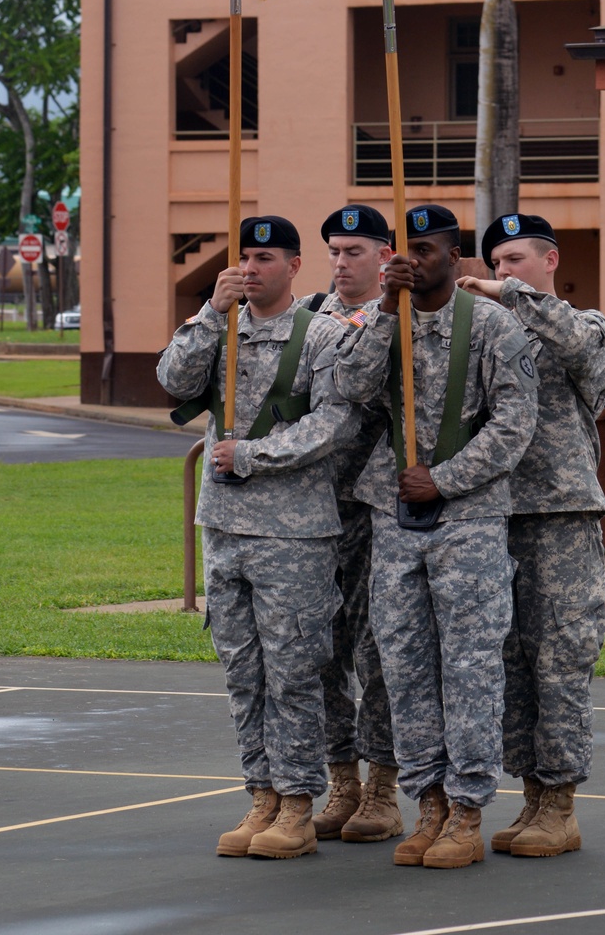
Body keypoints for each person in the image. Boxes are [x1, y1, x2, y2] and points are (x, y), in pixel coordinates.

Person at [334, 205, 539, 870]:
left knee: (471, 670)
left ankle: (468, 811)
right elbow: (350, 388)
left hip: (468, 522)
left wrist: (444, 480)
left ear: (455, 259)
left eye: (425, 250)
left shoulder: (493, 326)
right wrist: (386, 312)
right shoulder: (383, 323)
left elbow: (514, 426)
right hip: (395, 523)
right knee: (405, 670)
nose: (412, 260)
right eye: (406, 249)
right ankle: (428, 806)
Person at [157, 216, 357, 861]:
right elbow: (174, 382)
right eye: (243, 256)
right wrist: (208, 315)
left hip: (294, 531)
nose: (250, 268)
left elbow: (335, 424)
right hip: (225, 527)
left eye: (265, 257)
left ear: (295, 266)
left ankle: (299, 804)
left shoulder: (324, 335)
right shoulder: (222, 329)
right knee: (243, 672)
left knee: (294, 672)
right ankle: (262, 794)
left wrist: (251, 455)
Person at [457, 214, 605, 857]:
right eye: (496, 263)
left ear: (551, 261)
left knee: (560, 658)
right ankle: (530, 797)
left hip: (559, 515)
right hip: (492, 512)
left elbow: (576, 346)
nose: (503, 273)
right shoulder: (484, 332)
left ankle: (561, 804)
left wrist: (510, 298)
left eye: (517, 260)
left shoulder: (591, 327)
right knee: (510, 665)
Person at [308, 205, 401, 845]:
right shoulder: (308, 317)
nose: (342, 263)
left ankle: (383, 788)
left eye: (355, 251)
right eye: (335, 251)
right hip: (310, 508)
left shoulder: (404, 320)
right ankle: (341, 778)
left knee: (377, 650)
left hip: (377, 507)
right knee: (323, 651)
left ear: (385, 255)